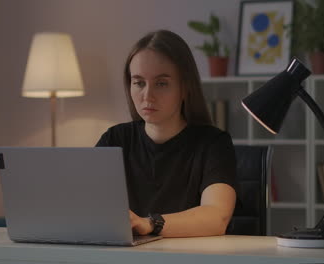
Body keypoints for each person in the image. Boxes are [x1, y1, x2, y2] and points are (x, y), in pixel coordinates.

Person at [96, 30, 237, 238]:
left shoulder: (214, 144)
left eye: (161, 83)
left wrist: (150, 223)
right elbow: (85, 206)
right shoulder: (114, 139)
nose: (147, 95)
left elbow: (216, 218)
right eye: (139, 82)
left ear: (185, 87)